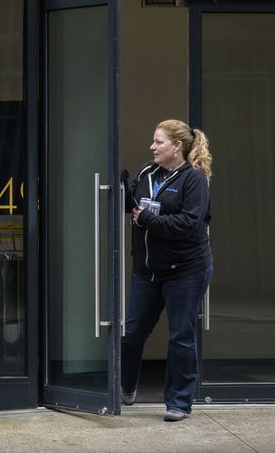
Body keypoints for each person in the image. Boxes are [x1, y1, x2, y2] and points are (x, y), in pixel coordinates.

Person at [121, 119, 213, 422]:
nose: (152, 147)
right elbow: (131, 204)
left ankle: (178, 403)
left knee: (181, 336)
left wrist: (147, 219)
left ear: (178, 146)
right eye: (153, 141)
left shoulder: (193, 179)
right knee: (131, 333)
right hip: (147, 270)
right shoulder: (148, 172)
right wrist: (121, 186)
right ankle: (125, 387)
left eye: (159, 142)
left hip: (186, 271)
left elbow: (190, 225)